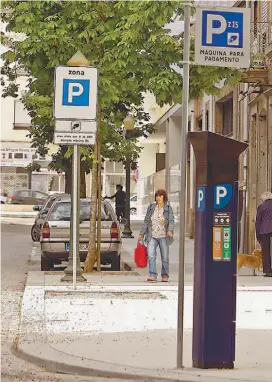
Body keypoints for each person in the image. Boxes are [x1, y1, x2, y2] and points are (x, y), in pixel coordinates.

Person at [138, 189, 174, 282]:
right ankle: (152, 275)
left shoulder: (168, 209)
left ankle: (165, 275)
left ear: (164, 197)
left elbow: (171, 221)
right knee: (151, 255)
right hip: (152, 235)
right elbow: (146, 221)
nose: (158, 197)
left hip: (163, 236)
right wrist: (141, 233)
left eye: (160, 196)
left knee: (165, 257)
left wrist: (170, 230)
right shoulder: (151, 208)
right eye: (157, 196)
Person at [256, 191, 272, 277]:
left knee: (266, 251)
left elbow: (258, 221)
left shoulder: (261, 207)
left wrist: (257, 235)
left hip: (265, 231)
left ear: (264, 198)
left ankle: (268, 271)